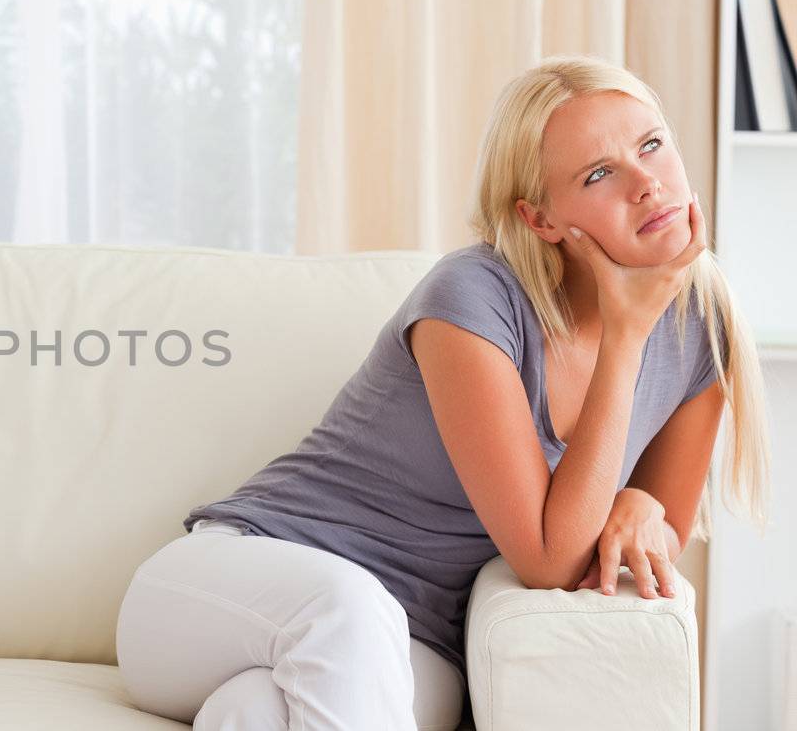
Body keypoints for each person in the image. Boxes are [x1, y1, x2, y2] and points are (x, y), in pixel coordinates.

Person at [116, 54, 770, 730]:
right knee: (347, 606)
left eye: (652, 145)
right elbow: (547, 556)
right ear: (541, 218)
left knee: (254, 714)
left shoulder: (701, 329)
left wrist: (640, 503)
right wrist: (626, 337)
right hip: (224, 587)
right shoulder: (472, 296)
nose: (646, 184)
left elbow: (637, 538)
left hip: (410, 640)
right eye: (599, 173)